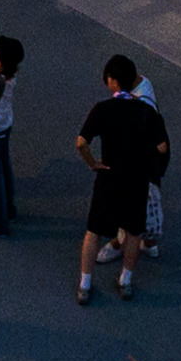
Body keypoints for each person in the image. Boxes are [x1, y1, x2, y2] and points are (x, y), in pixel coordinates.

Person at [74, 53, 166, 307]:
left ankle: (84, 284)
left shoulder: (102, 109)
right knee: (134, 233)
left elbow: (81, 143)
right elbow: (162, 147)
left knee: (94, 231)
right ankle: (125, 281)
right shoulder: (146, 111)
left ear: (113, 81)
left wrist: (93, 163)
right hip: (136, 179)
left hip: (109, 177)